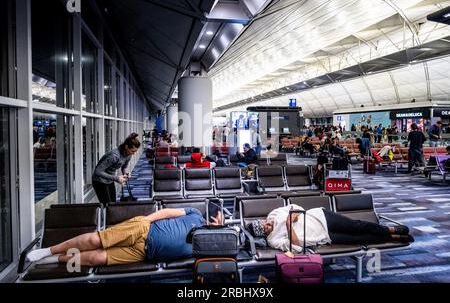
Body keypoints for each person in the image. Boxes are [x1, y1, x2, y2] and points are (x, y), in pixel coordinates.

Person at [26, 205, 223, 266]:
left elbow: (220, 256)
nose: (214, 222)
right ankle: (47, 250)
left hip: (143, 253)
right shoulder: (196, 214)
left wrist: (218, 231)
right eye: (214, 219)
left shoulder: (205, 245)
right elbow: (168, 212)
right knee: (96, 240)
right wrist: (147, 220)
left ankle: (57, 258)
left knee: (97, 258)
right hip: (145, 229)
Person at [247, 204, 413, 253]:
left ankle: (391, 229)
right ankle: (393, 238)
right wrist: (290, 225)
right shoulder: (273, 240)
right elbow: (296, 248)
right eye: (266, 227)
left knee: (357, 226)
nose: (268, 224)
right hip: (324, 237)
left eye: (264, 222)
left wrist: (295, 215)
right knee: (359, 239)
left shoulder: (274, 214)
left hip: (321, 217)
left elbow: (295, 206)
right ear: (264, 234)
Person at [92, 133, 140, 205]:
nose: (133, 154)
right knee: (107, 205)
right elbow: (97, 171)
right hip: (99, 181)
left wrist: (125, 173)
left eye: (135, 151)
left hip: (109, 179)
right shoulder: (114, 156)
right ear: (126, 147)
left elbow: (124, 167)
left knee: (113, 204)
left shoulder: (128, 155)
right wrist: (116, 178)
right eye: (132, 151)